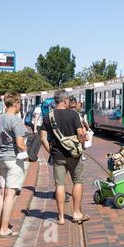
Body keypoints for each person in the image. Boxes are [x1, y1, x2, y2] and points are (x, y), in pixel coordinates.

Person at [40, 90, 89, 225]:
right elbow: (80, 134)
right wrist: (83, 141)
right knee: (77, 181)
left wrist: (51, 151)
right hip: (74, 155)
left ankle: (61, 217)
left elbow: (43, 138)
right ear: (65, 100)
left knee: (59, 185)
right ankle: (76, 213)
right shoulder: (73, 115)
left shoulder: (48, 116)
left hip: (57, 155)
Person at [0, 92, 29, 237]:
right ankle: (4, 228)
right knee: (11, 193)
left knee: (2, 192)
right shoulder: (16, 120)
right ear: (15, 104)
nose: (20, 106)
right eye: (19, 103)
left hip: (2, 157)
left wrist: (3, 149)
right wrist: (26, 151)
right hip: (14, 159)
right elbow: (20, 144)